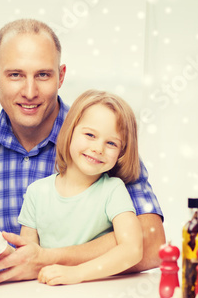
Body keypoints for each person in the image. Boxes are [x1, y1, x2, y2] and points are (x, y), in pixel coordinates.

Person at [0, 19, 166, 284]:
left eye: (43, 75)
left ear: (61, 76)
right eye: (15, 75)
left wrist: (48, 260)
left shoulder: (97, 145)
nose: (30, 92)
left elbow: (151, 243)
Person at [19, 90, 143, 285]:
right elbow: (28, 257)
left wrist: (77, 274)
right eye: (90, 135)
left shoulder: (113, 190)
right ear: (70, 131)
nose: (98, 148)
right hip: (47, 294)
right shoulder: (36, 192)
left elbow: (133, 249)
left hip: (95, 294)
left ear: (122, 152)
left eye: (111, 143)